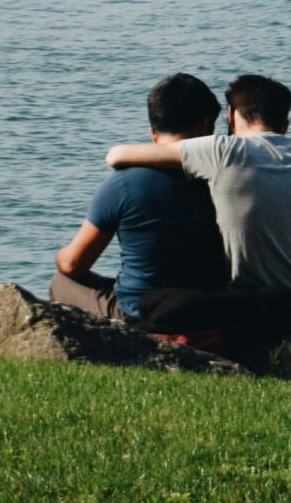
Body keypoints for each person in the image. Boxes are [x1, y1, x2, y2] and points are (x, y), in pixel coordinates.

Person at [105, 74, 291, 330]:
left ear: (231, 114)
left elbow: (117, 155)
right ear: (286, 124)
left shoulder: (224, 150)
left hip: (262, 316)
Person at [49, 73, 228, 322]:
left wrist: (60, 254)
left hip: (142, 313)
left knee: (62, 281)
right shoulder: (227, 179)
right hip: (211, 309)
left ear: (153, 132)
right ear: (205, 127)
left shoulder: (122, 184)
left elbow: (73, 264)